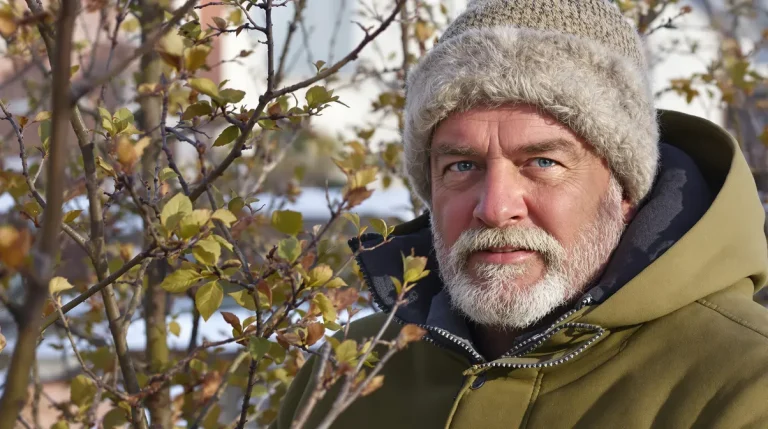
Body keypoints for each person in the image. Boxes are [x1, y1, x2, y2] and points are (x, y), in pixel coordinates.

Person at [274, 0, 768, 427]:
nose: (494, 208)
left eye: (543, 163)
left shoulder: (745, 384)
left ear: (624, 188)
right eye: (462, 165)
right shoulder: (349, 374)